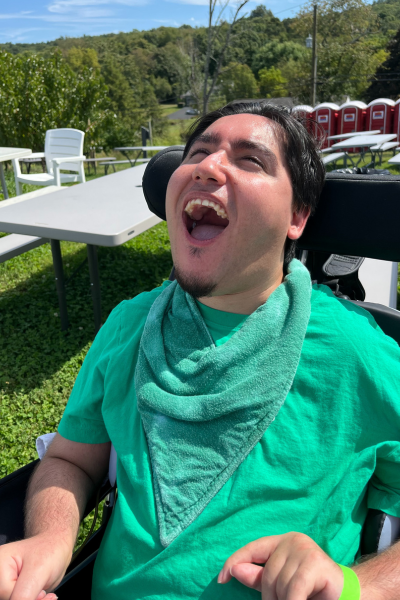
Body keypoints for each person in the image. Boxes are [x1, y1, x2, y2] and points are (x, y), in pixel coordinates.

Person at [1, 102, 400, 600]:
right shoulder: (129, 326)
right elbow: (71, 459)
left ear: (297, 216)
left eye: (250, 160)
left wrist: (356, 585)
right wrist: (50, 539)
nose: (208, 167)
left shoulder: (354, 350)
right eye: (197, 153)